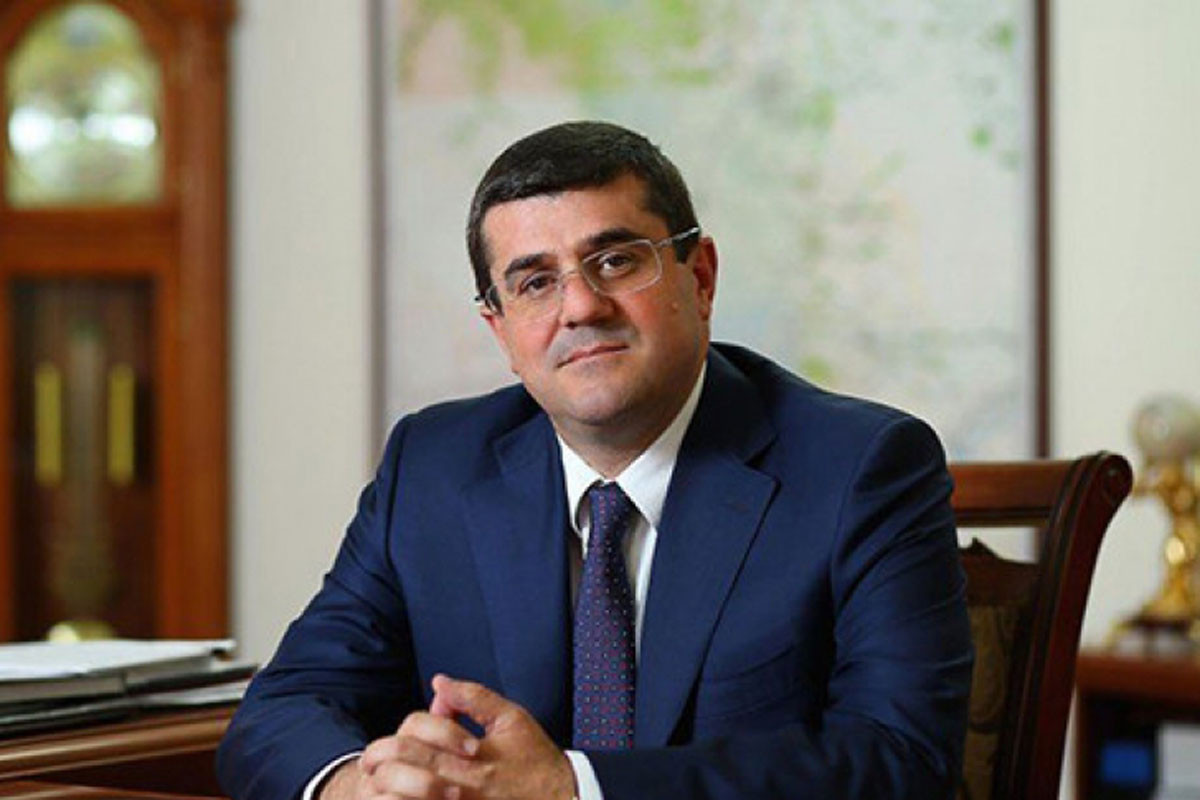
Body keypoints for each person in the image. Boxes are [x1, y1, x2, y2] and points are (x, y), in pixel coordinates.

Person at [216, 120, 973, 800]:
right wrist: (357, 786)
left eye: (615, 261)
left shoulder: (861, 468)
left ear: (700, 278)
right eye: (535, 282)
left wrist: (573, 790)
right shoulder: (435, 468)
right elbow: (285, 706)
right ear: (500, 330)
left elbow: (901, 759)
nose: (580, 307)